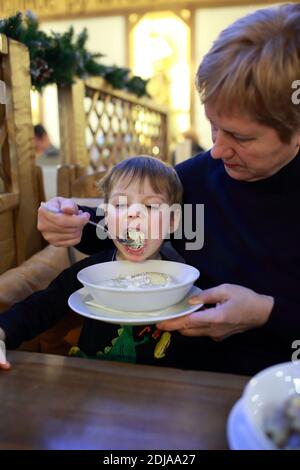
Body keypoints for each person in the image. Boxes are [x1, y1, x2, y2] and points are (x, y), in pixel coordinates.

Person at [37, 3, 300, 376]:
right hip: (186, 384)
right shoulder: (195, 179)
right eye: (213, 125)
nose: (218, 150)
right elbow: (137, 227)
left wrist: (266, 313)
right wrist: (72, 222)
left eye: (241, 137)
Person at [0, 156, 183, 370]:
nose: (134, 213)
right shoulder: (91, 271)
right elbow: (41, 306)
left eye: (151, 206)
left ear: (172, 220)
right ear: (106, 215)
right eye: (120, 204)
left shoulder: (182, 276)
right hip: (93, 381)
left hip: (163, 386)